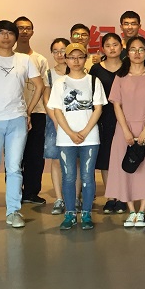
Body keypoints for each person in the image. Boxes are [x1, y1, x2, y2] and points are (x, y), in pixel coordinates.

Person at [0, 20, 44, 232]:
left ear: (15, 37)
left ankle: (13, 211)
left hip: (17, 120)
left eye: (10, 33)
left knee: (14, 168)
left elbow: (39, 86)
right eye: (1, 33)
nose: (6, 37)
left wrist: (27, 112)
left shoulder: (24, 60)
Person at [47, 43, 107, 230]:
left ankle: (86, 214)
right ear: (66, 59)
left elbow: (98, 109)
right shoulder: (60, 83)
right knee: (68, 177)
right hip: (66, 138)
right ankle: (70, 214)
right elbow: (57, 110)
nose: (76, 61)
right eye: (72, 57)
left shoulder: (93, 81)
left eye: (80, 57)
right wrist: (71, 133)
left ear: (85, 58)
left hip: (90, 137)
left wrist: (85, 131)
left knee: (88, 177)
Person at [107, 36, 145, 228]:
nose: (137, 53)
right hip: (124, 129)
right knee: (126, 168)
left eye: (141, 49)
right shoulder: (120, 77)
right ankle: (131, 210)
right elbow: (117, 105)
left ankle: (142, 211)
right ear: (127, 53)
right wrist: (125, 130)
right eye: (133, 49)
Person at [89, 33, 127, 214]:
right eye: (108, 45)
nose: (112, 48)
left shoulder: (128, 67)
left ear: (121, 46)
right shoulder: (96, 69)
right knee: (106, 158)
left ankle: (122, 197)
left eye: (115, 44)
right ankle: (111, 197)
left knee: (122, 157)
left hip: (125, 117)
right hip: (103, 118)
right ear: (102, 48)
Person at [15, 16, 50, 206]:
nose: (24, 31)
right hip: (13, 112)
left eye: (28, 28)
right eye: (20, 28)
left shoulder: (40, 59)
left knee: (35, 155)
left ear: (32, 32)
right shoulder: (8, 57)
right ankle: (14, 192)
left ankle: (31, 192)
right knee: (14, 155)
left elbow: (44, 87)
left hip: (37, 112)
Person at [43, 37, 70, 215]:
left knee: (75, 160)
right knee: (55, 160)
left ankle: (74, 197)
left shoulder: (79, 70)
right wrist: (55, 119)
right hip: (54, 121)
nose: (60, 54)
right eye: (56, 51)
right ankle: (59, 198)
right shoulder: (49, 74)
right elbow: (46, 98)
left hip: (75, 121)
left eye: (63, 50)